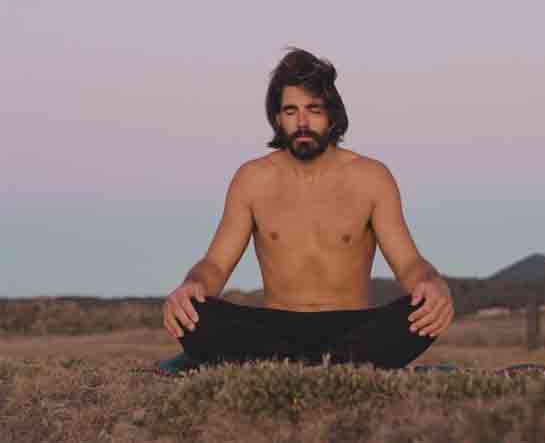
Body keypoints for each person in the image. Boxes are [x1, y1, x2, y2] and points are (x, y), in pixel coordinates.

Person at [158, 48, 454, 372]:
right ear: (276, 118)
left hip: (353, 330)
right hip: (273, 330)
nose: (302, 123)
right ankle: (322, 366)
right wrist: (192, 285)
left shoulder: (371, 177)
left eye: (313, 109)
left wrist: (432, 284)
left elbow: (409, 263)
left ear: (332, 115)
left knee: (421, 307)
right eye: (290, 111)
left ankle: (284, 367)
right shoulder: (252, 179)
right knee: (195, 314)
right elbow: (215, 264)